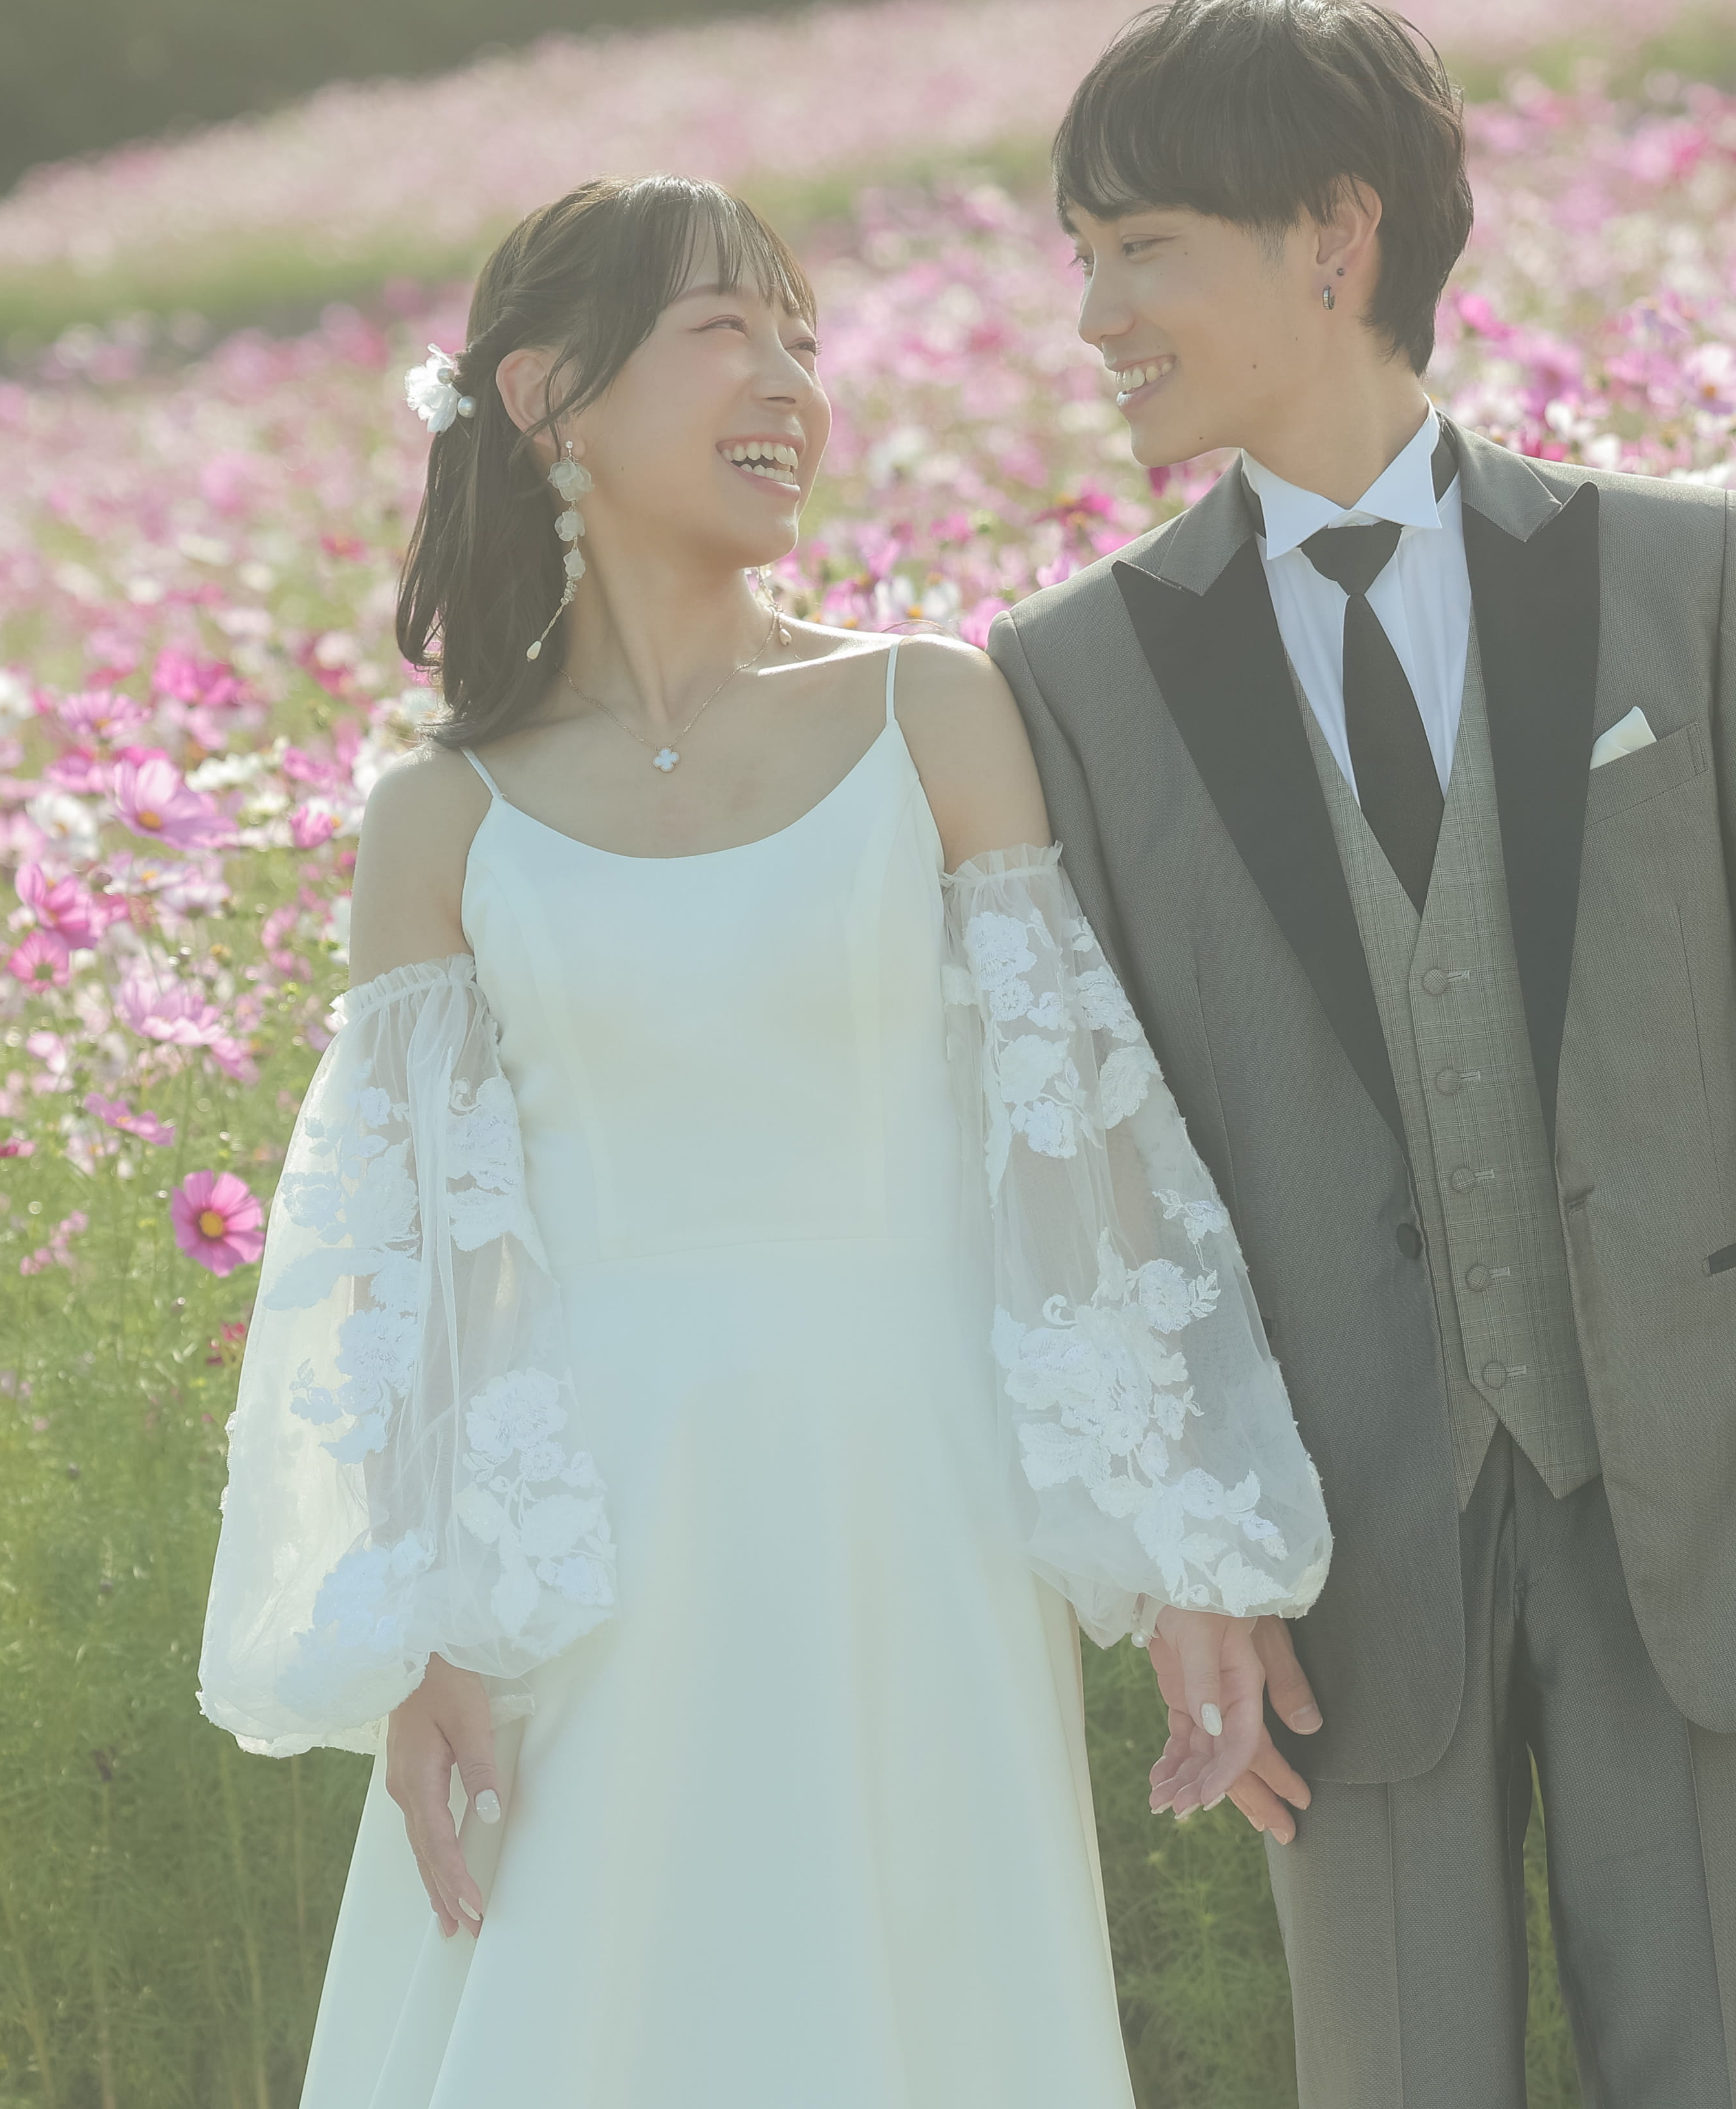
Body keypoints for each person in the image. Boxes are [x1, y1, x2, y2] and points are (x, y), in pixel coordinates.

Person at [195, 173, 1331, 2108]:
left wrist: (1180, 1550)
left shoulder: (927, 710)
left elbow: (1065, 1142)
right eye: (727, 331)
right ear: (546, 399)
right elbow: (413, 1265)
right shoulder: (443, 821)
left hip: (914, 1512)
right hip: (588, 1554)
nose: (791, 383)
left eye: (802, 340)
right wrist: (431, 1639)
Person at [984, 0, 1736, 2109]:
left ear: (1335, 238)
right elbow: (1100, 1154)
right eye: (1083, 259)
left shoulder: (1684, 572)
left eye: (1140, 250)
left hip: (1698, 1464)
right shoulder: (1072, 679)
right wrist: (1182, 1547)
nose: (1094, 318)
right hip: (1329, 1543)